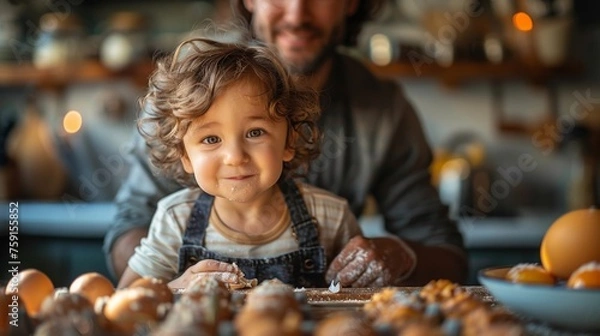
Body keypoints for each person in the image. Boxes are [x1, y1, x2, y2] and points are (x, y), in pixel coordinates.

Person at [105, 0, 468, 287]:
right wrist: (170, 277)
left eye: (256, 132)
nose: (297, 13)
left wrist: (396, 256)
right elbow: (130, 230)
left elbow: (446, 253)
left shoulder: (384, 111)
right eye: (211, 138)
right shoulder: (187, 96)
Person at [118, 36, 382, 289]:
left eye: (255, 133)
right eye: (211, 139)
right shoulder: (174, 219)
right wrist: (179, 287)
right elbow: (127, 297)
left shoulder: (331, 218)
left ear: (289, 141)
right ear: (185, 156)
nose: (235, 156)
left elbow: (363, 302)